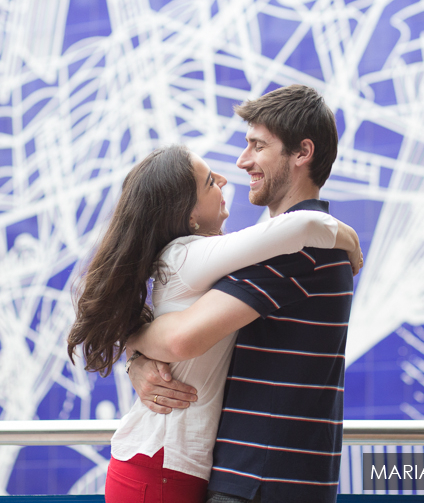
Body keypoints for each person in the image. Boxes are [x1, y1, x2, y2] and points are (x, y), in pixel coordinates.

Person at [66, 144, 362, 503]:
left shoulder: (195, 259)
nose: (224, 177)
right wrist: (349, 239)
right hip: (161, 467)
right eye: (209, 182)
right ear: (189, 216)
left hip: (168, 466)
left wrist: (136, 352)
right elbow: (301, 225)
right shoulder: (189, 255)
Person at [127, 84, 358, 503]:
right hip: (273, 479)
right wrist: (136, 363)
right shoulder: (291, 245)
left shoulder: (296, 250)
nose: (241, 161)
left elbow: (182, 337)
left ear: (301, 153)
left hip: (260, 481)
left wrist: (134, 343)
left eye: (257, 145)